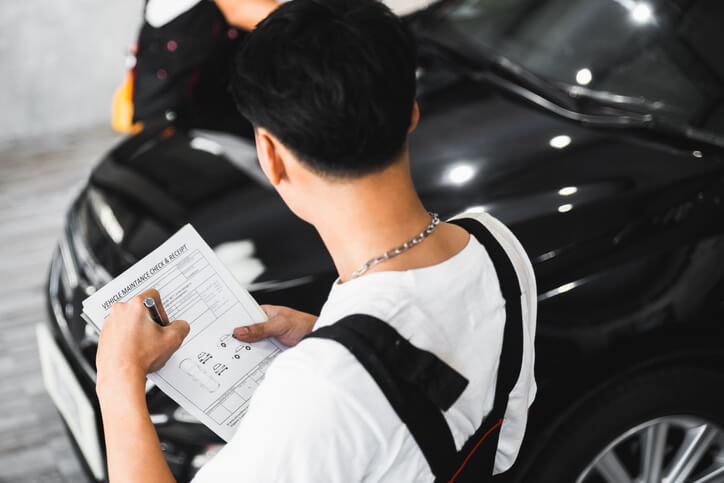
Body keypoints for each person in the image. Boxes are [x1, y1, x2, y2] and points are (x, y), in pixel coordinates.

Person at [95, 0, 537, 481]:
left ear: (271, 155)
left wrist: (118, 379)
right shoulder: (498, 248)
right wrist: (343, 338)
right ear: (410, 112)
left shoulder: (317, 389)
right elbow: (498, 444)